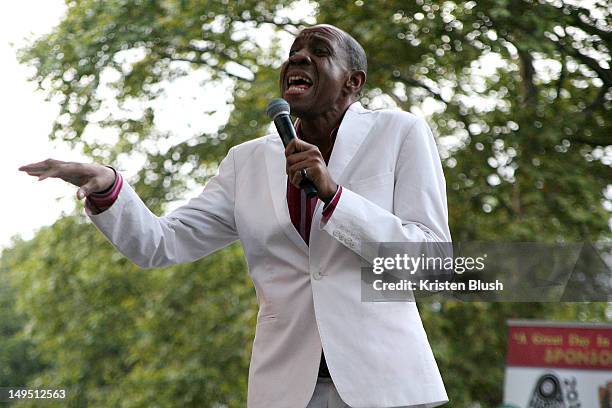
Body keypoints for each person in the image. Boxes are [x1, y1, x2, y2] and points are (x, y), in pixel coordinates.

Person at [20, 24, 451, 408]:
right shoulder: (247, 162)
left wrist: (335, 196)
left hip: (385, 385)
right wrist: (108, 187)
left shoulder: (400, 133)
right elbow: (161, 244)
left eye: (318, 51)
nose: (297, 58)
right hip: (286, 389)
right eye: (293, 52)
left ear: (352, 82)